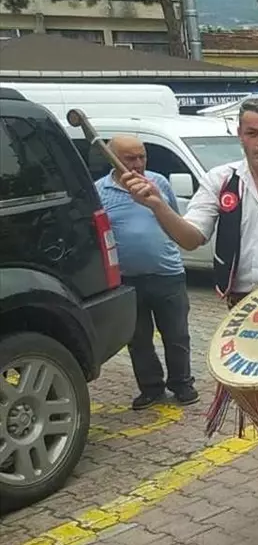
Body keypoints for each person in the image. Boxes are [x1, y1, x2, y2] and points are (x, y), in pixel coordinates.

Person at [121, 97, 258, 545]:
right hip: (242, 315)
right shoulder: (220, 181)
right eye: (252, 133)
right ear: (241, 135)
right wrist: (156, 207)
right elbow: (191, 238)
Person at [94, 135, 198, 410]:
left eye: (142, 157)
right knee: (138, 339)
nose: (138, 164)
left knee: (177, 335)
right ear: (112, 158)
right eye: (130, 158)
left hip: (167, 274)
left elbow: (174, 221)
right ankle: (151, 388)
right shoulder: (100, 191)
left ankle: (182, 383)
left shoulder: (158, 183)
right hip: (126, 280)